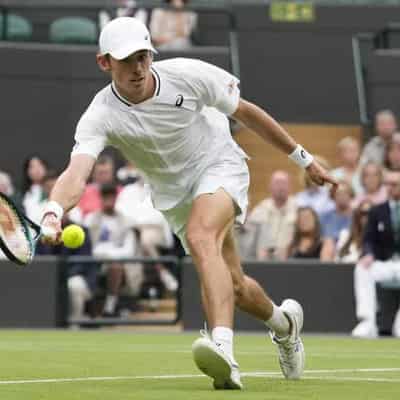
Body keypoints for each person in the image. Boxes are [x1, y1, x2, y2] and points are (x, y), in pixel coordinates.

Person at [40, 17, 336, 390]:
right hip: (174, 195)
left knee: (201, 236)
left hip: (219, 164)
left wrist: (306, 161)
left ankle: (224, 352)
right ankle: (284, 325)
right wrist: (53, 211)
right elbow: (77, 172)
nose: (138, 68)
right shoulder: (100, 114)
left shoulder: (188, 75)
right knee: (236, 286)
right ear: (105, 63)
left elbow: (247, 113)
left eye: (143, 56)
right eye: (127, 59)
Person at [352, 170, 400, 338]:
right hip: (385, 263)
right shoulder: (377, 211)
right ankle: (367, 321)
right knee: (362, 269)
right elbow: (368, 240)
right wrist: (368, 254)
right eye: (388, 184)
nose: (390, 188)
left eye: (395, 184)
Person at [84, 183, 143, 317]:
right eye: (105, 197)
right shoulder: (90, 220)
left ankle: (110, 306)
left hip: (119, 264)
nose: (108, 201)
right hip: (94, 263)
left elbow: (128, 251)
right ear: (101, 198)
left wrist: (109, 254)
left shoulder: (127, 222)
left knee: (115, 267)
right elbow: (89, 249)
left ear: (116, 198)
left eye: (112, 197)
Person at [245, 170, 297, 260]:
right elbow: (248, 235)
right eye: (277, 183)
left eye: (284, 183)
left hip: (290, 260)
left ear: (290, 186)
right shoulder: (261, 208)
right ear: (270, 187)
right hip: (263, 260)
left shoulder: (298, 208)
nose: (280, 187)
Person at [319, 181, 354, 260]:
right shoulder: (324, 217)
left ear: (351, 195)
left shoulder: (357, 216)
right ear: (333, 196)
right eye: (338, 194)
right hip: (330, 254)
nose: (342, 196)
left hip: (352, 253)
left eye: (345, 193)